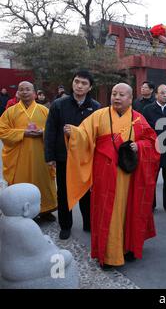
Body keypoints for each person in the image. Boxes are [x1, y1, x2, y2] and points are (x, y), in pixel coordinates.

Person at [64, 83, 160, 270]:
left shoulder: (138, 119)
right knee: (108, 213)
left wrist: (138, 146)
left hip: (130, 177)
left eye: (121, 94)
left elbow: (152, 142)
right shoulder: (99, 115)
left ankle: (129, 247)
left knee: (129, 210)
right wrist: (74, 133)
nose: (116, 97)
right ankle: (109, 255)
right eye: (114, 94)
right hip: (105, 175)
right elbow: (84, 135)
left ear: (130, 99)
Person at [44, 70, 101, 240]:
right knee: (63, 192)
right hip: (64, 156)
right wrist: (50, 156)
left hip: (85, 158)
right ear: (72, 83)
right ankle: (65, 225)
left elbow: (99, 133)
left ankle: (88, 223)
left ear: (90, 87)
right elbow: (50, 131)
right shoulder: (59, 105)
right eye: (77, 82)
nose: (79, 86)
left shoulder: (96, 107)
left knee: (86, 192)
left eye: (84, 83)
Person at [0, 81, 57, 221]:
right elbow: (2, 131)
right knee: (22, 185)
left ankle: (45, 210)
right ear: (18, 93)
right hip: (19, 157)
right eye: (21, 90)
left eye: (28, 89)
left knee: (43, 182)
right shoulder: (10, 112)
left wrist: (42, 132)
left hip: (41, 156)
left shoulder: (44, 111)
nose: (24, 92)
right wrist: (23, 133)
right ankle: (22, 211)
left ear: (34, 93)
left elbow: (53, 130)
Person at [143, 84, 166, 214]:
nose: (165, 95)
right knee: (151, 179)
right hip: (153, 150)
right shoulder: (147, 110)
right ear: (156, 94)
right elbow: (144, 130)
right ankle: (150, 204)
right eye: (162, 93)